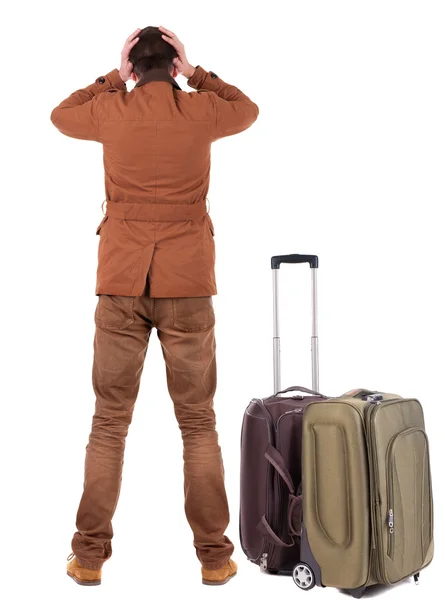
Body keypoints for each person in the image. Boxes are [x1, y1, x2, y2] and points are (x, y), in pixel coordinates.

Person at [50, 25, 258, 587]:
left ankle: (88, 556)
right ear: (173, 64)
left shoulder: (110, 111)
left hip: (120, 283)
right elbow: (247, 109)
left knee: (109, 422)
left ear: (135, 68)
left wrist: (111, 77)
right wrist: (197, 73)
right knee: (197, 422)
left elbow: (60, 114)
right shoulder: (202, 113)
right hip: (189, 282)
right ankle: (215, 558)